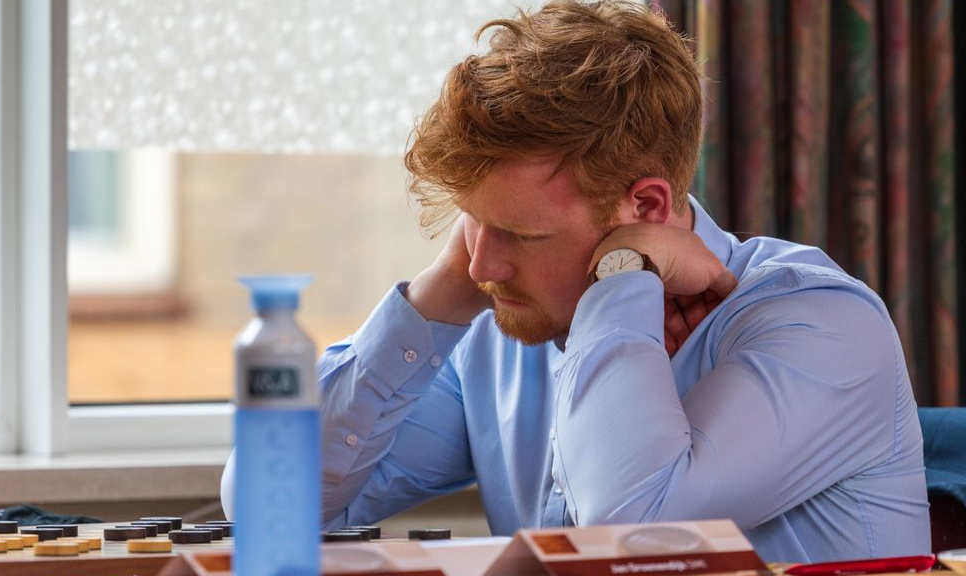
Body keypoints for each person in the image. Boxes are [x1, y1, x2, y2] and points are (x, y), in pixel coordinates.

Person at [221, 0, 930, 562]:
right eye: (474, 223)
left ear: (646, 208)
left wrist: (624, 274)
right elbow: (263, 505)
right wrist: (433, 300)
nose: (483, 266)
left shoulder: (819, 324)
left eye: (522, 235)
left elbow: (626, 531)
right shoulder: (501, 336)